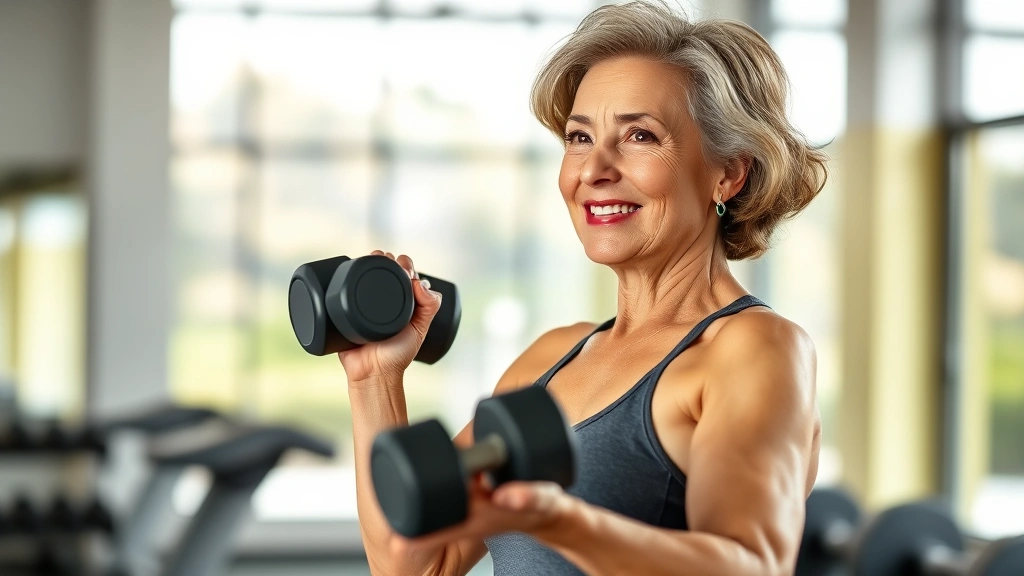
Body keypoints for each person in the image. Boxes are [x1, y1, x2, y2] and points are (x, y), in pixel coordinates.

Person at [340, 1, 828, 574]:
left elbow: (752, 564)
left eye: (641, 136)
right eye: (578, 137)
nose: (594, 169)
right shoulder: (546, 361)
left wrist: (559, 520)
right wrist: (375, 377)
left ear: (729, 172)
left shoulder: (753, 350)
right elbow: (418, 563)